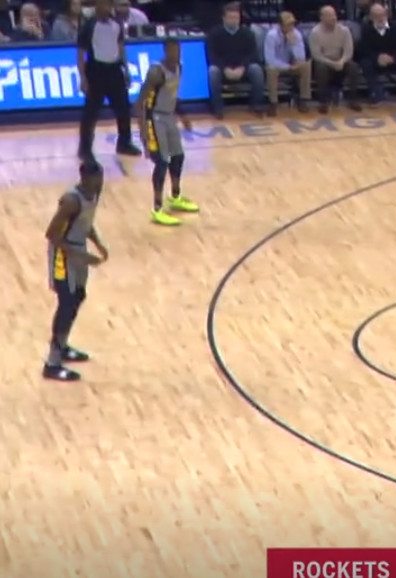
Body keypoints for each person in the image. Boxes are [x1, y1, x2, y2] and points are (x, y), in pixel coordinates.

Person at [43, 162, 109, 382]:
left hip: (78, 249)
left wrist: (98, 243)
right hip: (63, 254)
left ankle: (62, 346)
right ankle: (52, 363)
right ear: (85, 178)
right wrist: (83, 256)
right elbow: (52, 234)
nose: (101, 182)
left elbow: (85, 222)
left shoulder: (94, 194)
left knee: (78, 296)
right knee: (66, 302)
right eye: (97, 178)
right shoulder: (71, 200)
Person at [137, 37, 199, 227]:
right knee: (162, 161)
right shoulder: (156, 72)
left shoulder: (179, 67)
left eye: (178, 50)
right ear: (165, 51)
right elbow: (140, 103)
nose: (176, 53)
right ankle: (157, 209)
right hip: (154, 118)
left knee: (178, 156)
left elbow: (172, 95)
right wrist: (143, 133)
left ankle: (175, 196)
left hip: (170, 115)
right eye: (172, 50)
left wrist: (183, 115)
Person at [77, 0, 141, 163]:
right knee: (91, 113)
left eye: (109, 4)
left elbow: (120, 46)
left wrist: (126, 69)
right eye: (104, 4)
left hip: (115, 70)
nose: (107, 8)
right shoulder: (89, 25)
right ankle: (85, 149)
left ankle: (124, 143)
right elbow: (81, 53)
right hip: (96, 71)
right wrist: (83, 77)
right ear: (97, 5)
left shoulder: (117, 23)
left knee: (123, 108)